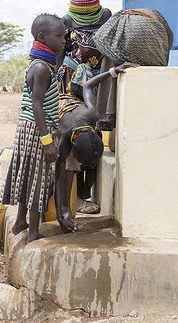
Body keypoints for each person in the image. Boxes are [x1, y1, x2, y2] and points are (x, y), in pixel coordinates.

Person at [0, 13, 66, 243]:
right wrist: (47, 142)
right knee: (39, 177)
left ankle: (20, 221)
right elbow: (37, 105)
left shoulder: (41, 63)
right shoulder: (41, 68)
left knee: (28, 174)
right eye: (59, 36)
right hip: (38, 129)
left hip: (30, 127)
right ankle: (34, 232)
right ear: (42, 37)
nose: (63, 40)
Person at [54, 62, 138, 233]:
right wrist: (60, 214)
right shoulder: (64, 138)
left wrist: (113, 71)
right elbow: (58, 175)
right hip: (56, 113)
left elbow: (88, 85)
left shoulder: (92, 114)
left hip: (76, 119)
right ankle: (60, 210)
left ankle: (68, 208)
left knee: (71, 167)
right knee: (61, 169)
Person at [60, 0, 112, 215]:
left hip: (99, 82)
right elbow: (60, 53)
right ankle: (74, 198)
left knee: (95, 136)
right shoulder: (66, 20)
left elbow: (111, 48)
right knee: (75, 135)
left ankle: (85, 194)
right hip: (70, 84)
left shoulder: (106, 17)